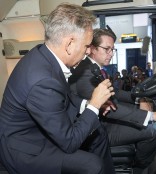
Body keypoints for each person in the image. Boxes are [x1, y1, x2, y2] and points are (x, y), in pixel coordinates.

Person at [0, 4, 116, 174]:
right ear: (69, 44)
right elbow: (69, 143)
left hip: (34, 133)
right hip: (26, 149)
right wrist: (95, 105)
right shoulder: (43, 80)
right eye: (86, 46)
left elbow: (65, 96)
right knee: (93, 165)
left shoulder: (43, 54)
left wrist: (88, 103)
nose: (87, 52)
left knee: (98, 132)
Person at [69, 28, 156, 169]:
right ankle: (141, 167)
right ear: (93, 49)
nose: (111, 54)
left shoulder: (93, 68)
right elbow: (109, 109)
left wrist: (139, 100)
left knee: (144, 116)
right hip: (99, 129)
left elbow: (116, 93)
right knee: (154, 130)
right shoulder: (85, 74)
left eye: (112, 49)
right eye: (107, 49)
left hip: (105, 120)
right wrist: (153, 115)